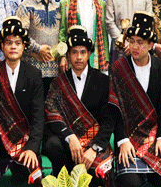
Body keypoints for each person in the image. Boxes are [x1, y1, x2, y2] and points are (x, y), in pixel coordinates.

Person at [0, 16, 44, 187]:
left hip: (24, 139)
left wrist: (32, 147)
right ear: (1, 46)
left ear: (24, 46)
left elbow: (38, 116)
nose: (13, 47)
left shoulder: (33, 74)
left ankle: (19, 168)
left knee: (30, 180)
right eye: (9, 43)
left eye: (17, 43)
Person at [108, 11, 161, 187]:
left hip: (155, 138)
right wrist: (122, 141)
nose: (135, 47)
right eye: (131, 41)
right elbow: (114, 109)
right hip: (128, 139)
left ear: (151, 44)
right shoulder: (118, 68)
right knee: (130, 183)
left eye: (140, 42)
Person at [44, 25, 114, 186]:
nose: (79, 57)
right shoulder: (58, 83)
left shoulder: (103, 81)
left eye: (83, 52)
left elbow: (109, 120)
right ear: (68, 55)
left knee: (95, 178)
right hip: (67, 144)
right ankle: (62, 176)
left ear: (89, 53)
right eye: (74, 52)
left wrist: (94, 148)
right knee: (51, 145)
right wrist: (70, 137)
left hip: (93, 143)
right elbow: (51, 114)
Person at [16, 0, 61, 97]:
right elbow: (20, 36)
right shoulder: (26, 6)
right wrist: (38, 48)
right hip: (32, 69)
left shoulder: (57, 7)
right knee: (33, 107)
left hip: (54, 71)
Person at [59, 0, 109, 73]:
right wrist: (62, 55)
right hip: (74, 54)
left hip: (95, 54)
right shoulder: (65, 3)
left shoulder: (100, 4)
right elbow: (62, 32)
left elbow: (104, 32)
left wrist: (106, 57)